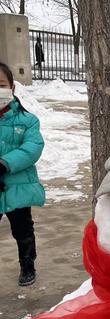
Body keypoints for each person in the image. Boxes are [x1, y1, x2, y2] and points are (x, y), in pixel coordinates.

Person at [0, 63, 45, 286]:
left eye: (0, 85)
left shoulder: (28, 121)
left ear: (11, 88)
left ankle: (28, 265)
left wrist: (5, 164)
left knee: (23, 230)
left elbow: (33, 147)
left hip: (18, 186)